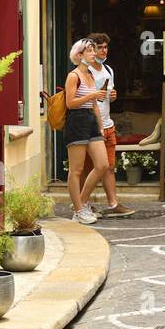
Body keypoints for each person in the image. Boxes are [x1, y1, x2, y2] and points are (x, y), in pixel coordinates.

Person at [77, 33, 135, 218]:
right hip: (91, 125)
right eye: (100, 47)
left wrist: (113, 96)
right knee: (87, 168)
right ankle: (81, 204)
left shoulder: (108, 70)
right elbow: (76, 99)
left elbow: (107, 96)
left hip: (108, 123)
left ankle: (113, 204)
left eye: (105, 47)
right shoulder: (83, 72)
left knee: (109, 166)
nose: (103, 50)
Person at [64, 39, 111, 225]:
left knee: (102, 164)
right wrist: (92, 95)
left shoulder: (90, 75)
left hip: (91, 120)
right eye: (89, 50)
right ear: (79, 55)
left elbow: (94, 105)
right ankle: (78, 210)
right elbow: (70, 103)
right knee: (76, 169)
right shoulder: (73, 76)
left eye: (93, 50)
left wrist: (101, 125)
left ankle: (81, 202)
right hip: (77, 120)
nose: (94, 53)